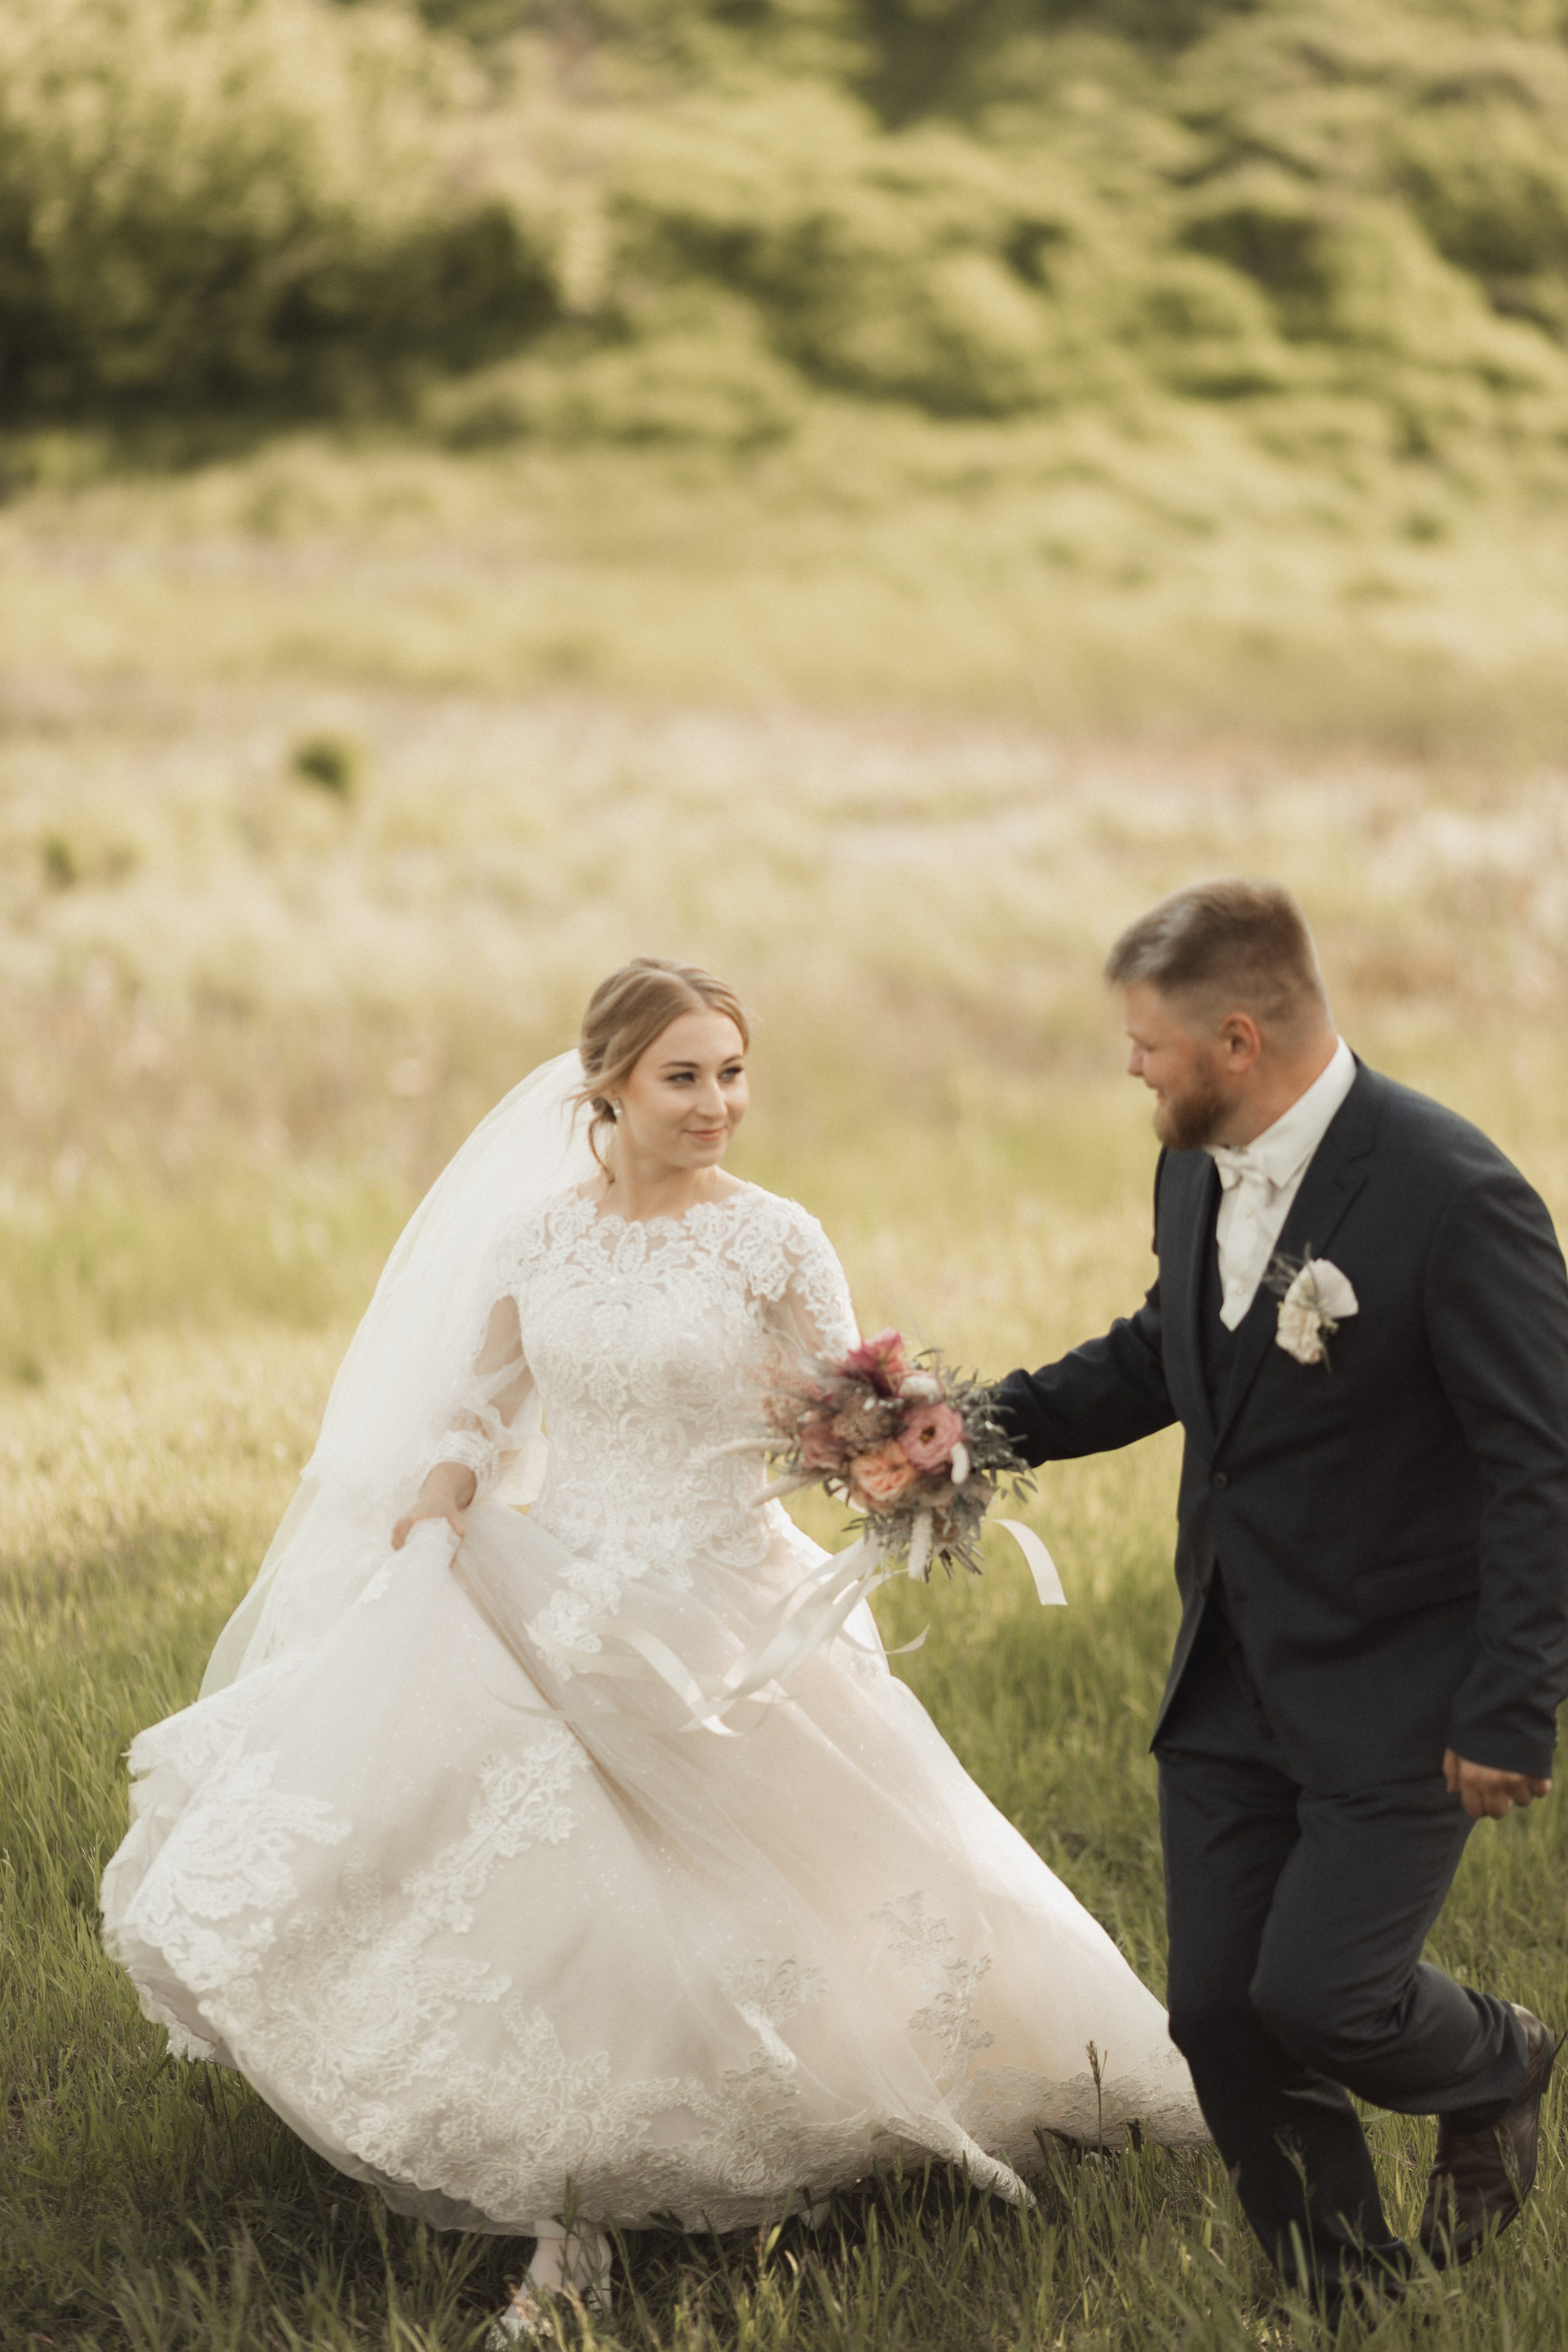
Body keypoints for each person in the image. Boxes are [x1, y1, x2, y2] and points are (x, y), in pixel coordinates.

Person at [102, 956, 1204, 2343]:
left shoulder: (776, 1238)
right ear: (607, 1085)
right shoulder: (539, 1238)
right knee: (557, 1881)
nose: (716, 1103)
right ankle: (575, 2214)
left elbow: (845, 1417)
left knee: (820, 1877)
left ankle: (905, 2102)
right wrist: (443, 1490)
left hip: (724, 1604)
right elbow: (483, 1403)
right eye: (684, 1076)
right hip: (554, 1580)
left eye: (732, 1073)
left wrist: (907, 1455)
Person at [995, 880, 1568, 2316]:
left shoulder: (1453, 1196)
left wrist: (1511, 1703)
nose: (1130, 1065)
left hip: (1401, 1679)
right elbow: (1165, 1353)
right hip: (1228, 1666)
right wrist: (979, 1428)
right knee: (1215, 2015)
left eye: (1147, 1043)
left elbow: (1539, 1467)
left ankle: (1497, 2062)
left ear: (1236, 1040)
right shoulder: (1191, 1163)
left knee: (1321, 1997)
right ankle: (1342, 2292)